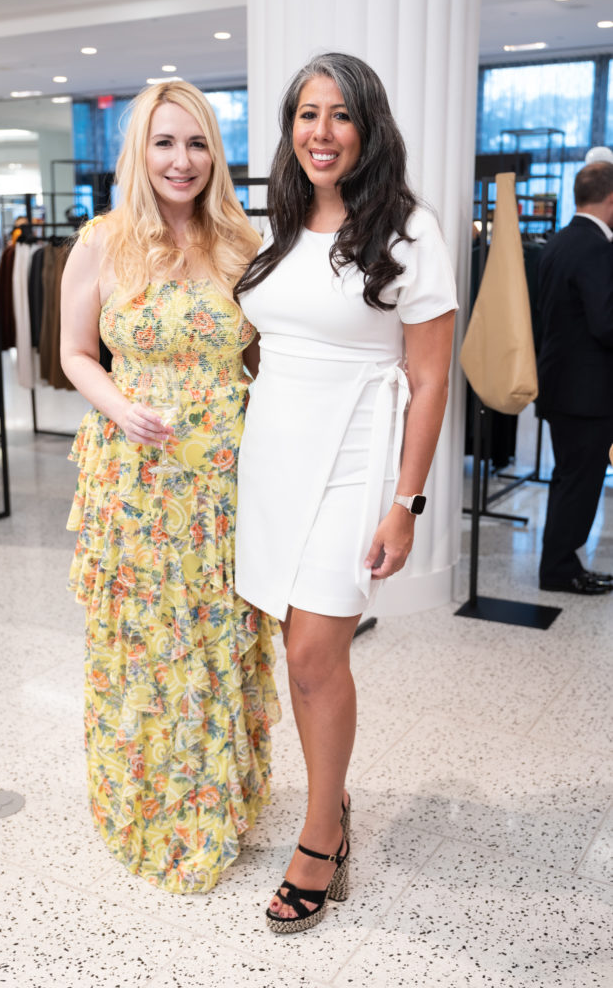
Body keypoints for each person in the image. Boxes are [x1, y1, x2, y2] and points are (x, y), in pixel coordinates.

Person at [233, 52, 457, 933]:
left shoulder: (407, 231)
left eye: (338, 116)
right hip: (273, 455)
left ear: (367, 127)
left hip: (356, 455)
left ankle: (321, 831)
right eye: (304, 115)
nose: (319, 133)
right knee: (300, 650)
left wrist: (404, 502)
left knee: (315, 653)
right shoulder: (275, 226)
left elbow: (431, 379)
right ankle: (333, 802)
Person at [60, 80, 280, 893]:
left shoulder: (241, 243)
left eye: (195, 144)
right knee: (148, 647)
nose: (180, 160)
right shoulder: (103, 242)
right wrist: (123, 406)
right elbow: (76, 351)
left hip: (227, 478)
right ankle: (150, 802)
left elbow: (267, 358)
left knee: (220, 639)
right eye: (163, 143)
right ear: (138, 153)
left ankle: (219, 796)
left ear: (214, 155)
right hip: (137, 479)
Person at [536, 161, 613, 595]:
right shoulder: (597, 247)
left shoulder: (559, 241)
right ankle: (560, 569)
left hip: (561, 385)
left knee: (569, 480)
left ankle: (561, 563)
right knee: (579, 485)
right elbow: (605, 323)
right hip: (588, 394)